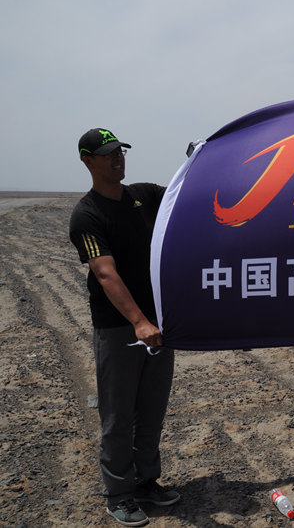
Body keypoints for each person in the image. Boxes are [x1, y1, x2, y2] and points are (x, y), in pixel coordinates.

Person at [69, 128, 180, 526]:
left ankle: (147, 481)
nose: (117, 158)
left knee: (151, 409)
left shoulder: (144, 196)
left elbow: (185, 192)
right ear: (88, 161)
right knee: (118, 415)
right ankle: (118, 494)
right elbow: (105, 274)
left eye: (120, 152)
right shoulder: (87, 215)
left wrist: (203, 159)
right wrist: (138, 322)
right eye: (107, 154)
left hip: (157, 325)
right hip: (120, 329)